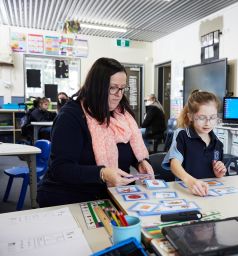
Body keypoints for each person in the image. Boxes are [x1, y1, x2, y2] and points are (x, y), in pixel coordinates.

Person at [37, 57, 154, 207]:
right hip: (69, 197)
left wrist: (141, 162)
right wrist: (102, 173)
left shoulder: (122, 114)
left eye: (122, 88)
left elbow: (129, 151)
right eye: (112, 88)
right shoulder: (71, 116)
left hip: (109, 197)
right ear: (97, 86)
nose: (119, 94)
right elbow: (60, 169)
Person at [162, 90, 226, 197]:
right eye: (202, 117)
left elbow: (217, 174)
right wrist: (190, 181)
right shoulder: (182, 135)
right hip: (186, 192)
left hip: (207, 193)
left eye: (213, 117)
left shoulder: (217, 143)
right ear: (191, 116)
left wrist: (218, 173)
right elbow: (174, 164)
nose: (208, 123)